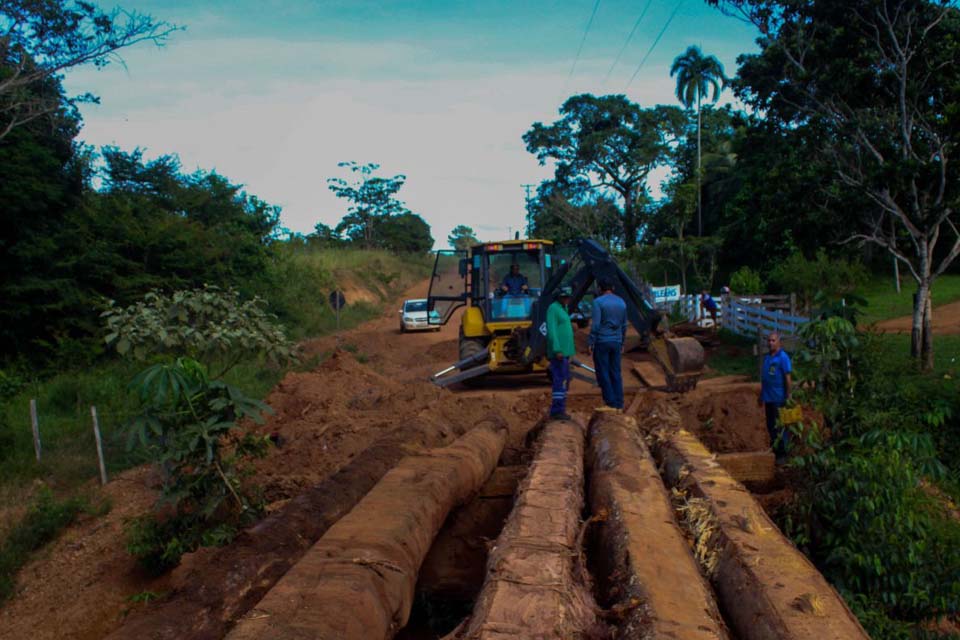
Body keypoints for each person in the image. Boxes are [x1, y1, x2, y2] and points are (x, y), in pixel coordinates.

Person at [589, 279, 628, 409]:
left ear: (600, 289)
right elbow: (624, 325)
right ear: (612, 288)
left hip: (602, 341)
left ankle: (610, 402)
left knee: (603, 371)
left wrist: (591, 341)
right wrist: (622, 341)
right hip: (616, 342)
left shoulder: (598, 302)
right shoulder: (621, 302)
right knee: (616, 372)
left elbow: (595, 325)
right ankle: (619, 401)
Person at [758, 331, 793, 461]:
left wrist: (788, 396)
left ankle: (783, 454)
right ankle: (775, 449)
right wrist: (761, 395)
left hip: (779, 398)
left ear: (779, 342)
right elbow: (765, 379)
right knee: (770, 424)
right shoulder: (767, 358)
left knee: (780, 426)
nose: (770, 343)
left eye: (773, 340)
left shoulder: (783, 357)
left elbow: (788, 378)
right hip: (768, 398)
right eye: (769, 340)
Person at [546, 286, 575, 420]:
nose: (567, 299)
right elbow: (552, 331)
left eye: (568, 297)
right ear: (559, 296)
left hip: (565, 352)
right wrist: (557, 349)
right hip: (559, 353)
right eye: (564, 297)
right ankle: (557, 410)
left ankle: (561, 408)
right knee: (559, 380)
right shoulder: (553, 309)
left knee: (564, 380)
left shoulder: (564, 308)